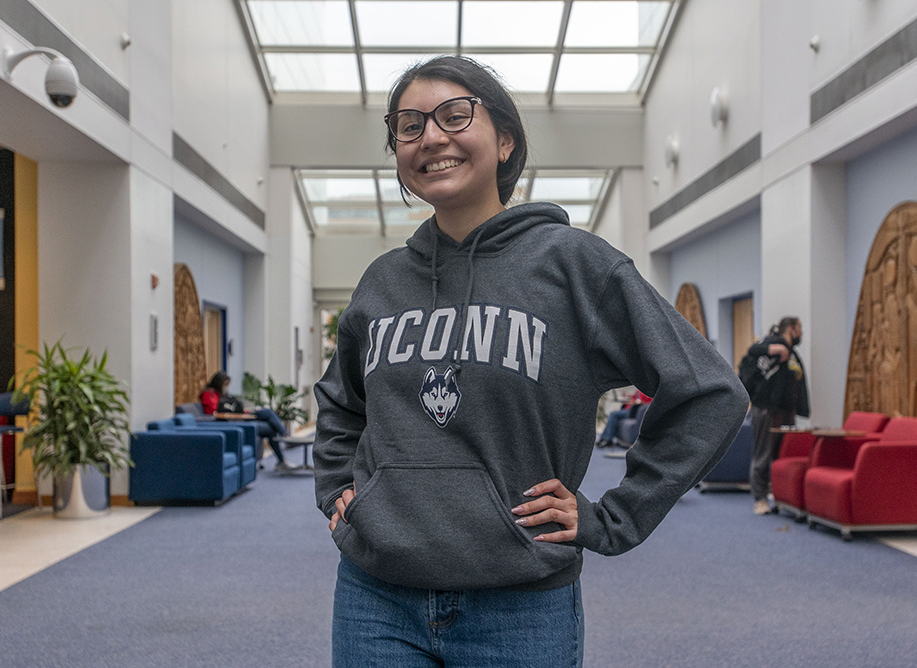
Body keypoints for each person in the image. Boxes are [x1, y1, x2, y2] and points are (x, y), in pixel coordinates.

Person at [313, 55, 749, 667]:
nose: (431, 137)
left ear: (506, 138)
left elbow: (709, 391)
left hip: (519, 607)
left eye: (454, 115)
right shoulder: (382, 281)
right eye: (409, 125)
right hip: (376, 596)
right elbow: (340, 400)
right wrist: (338, 485)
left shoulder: (575, 266)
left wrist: (615, 517)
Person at [745, 317, 810, 515]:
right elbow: (752, 351)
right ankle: (760, 499)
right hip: (766, 409)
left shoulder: (793, 354)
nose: (801, 333)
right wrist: (771, 350)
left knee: (781, 455)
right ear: (791, 329)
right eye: (799, 329)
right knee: (763, 454)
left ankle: (778, 495)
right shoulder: (771, 344)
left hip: (786, 411)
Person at [200, 371, 303, 473]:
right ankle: (284, 442)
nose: (226, 387)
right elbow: (215, 411)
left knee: (267, 412)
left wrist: (244, 410)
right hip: (233, 422)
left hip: (241, 416)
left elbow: (233, 407)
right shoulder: (209, 394)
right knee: (271, 429)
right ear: (219, 382)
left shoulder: (222, 394)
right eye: (225, 384)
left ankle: (284, 442)